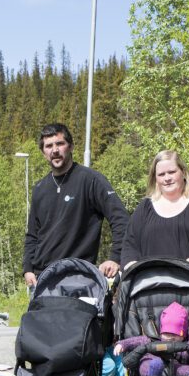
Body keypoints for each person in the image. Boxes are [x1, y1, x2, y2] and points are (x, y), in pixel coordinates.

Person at [120, 150, 189, 328]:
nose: (167, 178)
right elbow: (129, 244)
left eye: (172, 172)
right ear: (155, 178)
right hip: (153, 302)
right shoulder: (145, 208)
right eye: (161, 174)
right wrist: (129, 264)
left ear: (183, 172)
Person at [23, 123, 129, 288]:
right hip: (42, 280)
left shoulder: (91, 180)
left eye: (60, 143)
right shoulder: (39, 188)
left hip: (79, 278)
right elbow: (32, 235)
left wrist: (115, 257)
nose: (55, 150)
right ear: (44, 153)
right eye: (49, 146)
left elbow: (121, 219)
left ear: (71, 146)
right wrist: (28, 268)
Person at [113, 301, 189, 376]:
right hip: (150, 364)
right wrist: (122, 344)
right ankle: (152, 372)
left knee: (181, 368)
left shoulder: (184, 345)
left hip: (173, 368)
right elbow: (133, 341)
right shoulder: (150, 339)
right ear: (161, 332)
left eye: (175, 335)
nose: (170, 338)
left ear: (183, 335)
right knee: (148, 362)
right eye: (167, 334)